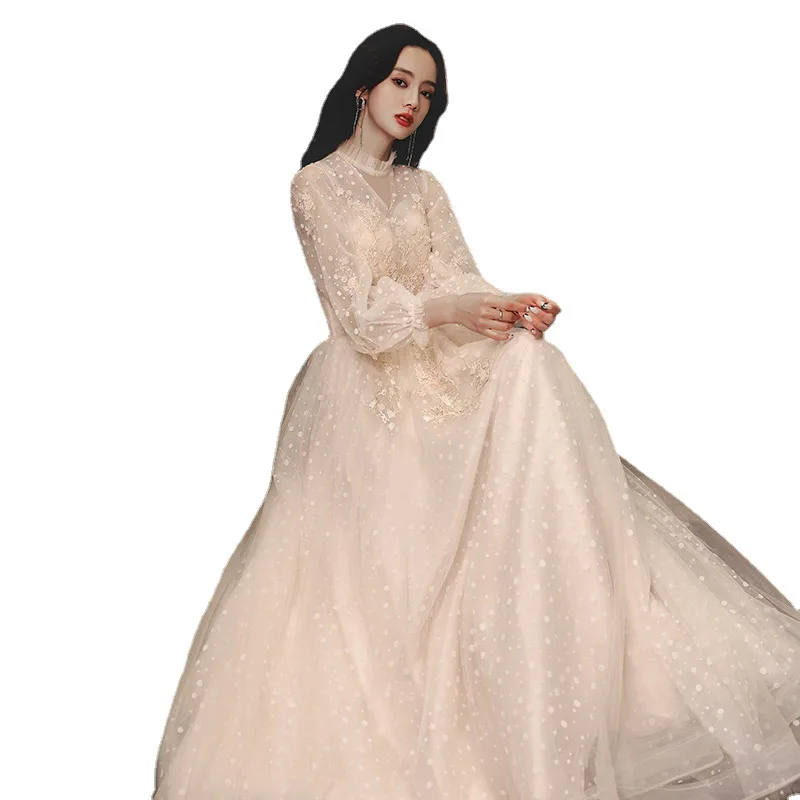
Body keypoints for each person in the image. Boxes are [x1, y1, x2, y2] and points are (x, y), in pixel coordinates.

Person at [151, 23, 800, 800]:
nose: (413, 102)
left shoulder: (425, 189)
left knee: (533, 365)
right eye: (400, 82)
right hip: (362, 395)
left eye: (426, 92)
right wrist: (452, 309)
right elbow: (359, 318)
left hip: (435, 369)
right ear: (363, 85)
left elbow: (459, 278)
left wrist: (508, 306)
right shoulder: (313, 185)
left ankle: (587, 659)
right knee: (370, 581)